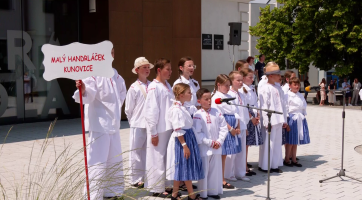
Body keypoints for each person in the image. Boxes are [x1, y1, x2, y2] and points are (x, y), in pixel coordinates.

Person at [72, 48, 127, 200]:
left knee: (114, 159)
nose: (110, 56)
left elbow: (122, 93)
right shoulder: (93, 73)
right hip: (99, 124)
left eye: (112, 52)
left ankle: (112, 192)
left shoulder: (116, 74)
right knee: (97, 161)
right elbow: (87, 94)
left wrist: (115, 108)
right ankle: (93, 195)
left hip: (114, 124)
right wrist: (82, 88)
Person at [144, 58, 175, 198]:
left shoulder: (167, 85)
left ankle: (167, 184)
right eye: (167, 69)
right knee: (157, 157)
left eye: (170, 69)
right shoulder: (154, 87)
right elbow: (151, 111)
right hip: (159, 128)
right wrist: (153, 132)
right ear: (159, 70)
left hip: (168, 127)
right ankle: (156, 188)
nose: (170, 72)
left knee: (167, 157)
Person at [166, 83, 204, 200]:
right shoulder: (177, 109)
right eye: (188, 92)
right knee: (184, 166)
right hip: (182, 139)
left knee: (182, 166)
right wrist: (184, 145)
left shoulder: (183, 106)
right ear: (181, 95)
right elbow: (178, 128)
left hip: (187, 137)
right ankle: (191, 195)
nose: (191, 94)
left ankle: (175, 194)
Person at [194, 88, 228, 200]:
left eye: (210, 98)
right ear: (199, 101)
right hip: (205, 148)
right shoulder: (198, 114)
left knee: (215, 169)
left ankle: (213, 191)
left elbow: (223, 127)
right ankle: (203, 193)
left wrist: (219, 141)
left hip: (217, 146)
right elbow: (198, 132)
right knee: (205, 170)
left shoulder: (216, 112)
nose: (209, 101)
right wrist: (209, 142)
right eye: (206, 99)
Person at [125, 57, 153, 189]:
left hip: (151, 124)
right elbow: (128, 109)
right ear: (137, 70)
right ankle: (136, 178)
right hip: (138, 123)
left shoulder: (152, 85)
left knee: (149, 151)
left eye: (148, 67)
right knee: (136, 152)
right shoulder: (133, 88)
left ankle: (148, 176)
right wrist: (134, 122)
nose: (147, 70)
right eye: (144, 67)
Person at [211, 74, 241, 189]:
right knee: (222, 154)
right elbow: (220, 116)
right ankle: (221, 179)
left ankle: (224, 176)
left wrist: (237, 125)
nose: (228, 88)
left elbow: (235, 111)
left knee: (226, 154)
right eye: (226, 85)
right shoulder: (216, 98)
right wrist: (231, 128)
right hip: (225, 127)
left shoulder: (230, 95)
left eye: (229, 85)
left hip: (233, 125)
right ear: (219, 85)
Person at [258, 62, 288, 173]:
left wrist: (284, 119)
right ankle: (265, 166)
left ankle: (275, 165)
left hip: (278, 119)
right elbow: (264, 106)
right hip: (270, 120)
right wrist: (266, 122)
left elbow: (283, 104)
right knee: (269, 143)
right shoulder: (265, 88)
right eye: (277, 75)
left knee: (277, 142)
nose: (280, 77)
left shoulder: (278, 87)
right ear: (270, 76)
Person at [225, 71, 250, 182]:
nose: (241, 82)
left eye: (241, 80)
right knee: (232, 152)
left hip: (243, 125)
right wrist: (234, 127)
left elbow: (244, 111)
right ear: (231, 81)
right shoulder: (229, 94)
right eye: (238, 80)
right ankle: (229, 174)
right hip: (235, 126)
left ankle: (240, 172)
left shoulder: (241, 93)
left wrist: (246, 126)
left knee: (241, 151)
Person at [240, 68, 262, 176]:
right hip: (247, 116)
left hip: (253, 114)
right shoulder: (242, 89)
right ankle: (243, 166)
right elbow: (244, 106)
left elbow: (256, 102)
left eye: (253, 77)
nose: (252, 79)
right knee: (245, 143)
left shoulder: (252, 88)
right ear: (243, 78)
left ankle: (245, 165)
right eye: (250, 77)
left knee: (248, 143)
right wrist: (251, 117)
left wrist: (258, 114)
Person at [284, 77, 310, 167]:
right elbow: (286, 108)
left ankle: (294, 159)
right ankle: (287, 159)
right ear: (290, 85)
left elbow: (303, 105)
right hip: (292, 118)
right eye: (295, 84)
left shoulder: (300, 95)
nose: (297, 86)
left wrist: (303, 116)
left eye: (298, 84)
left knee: (295, 141)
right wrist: (286, 122)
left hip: (299, 118)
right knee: (290, 141)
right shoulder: (287, 95)